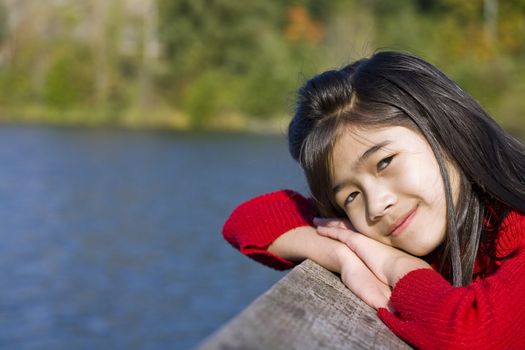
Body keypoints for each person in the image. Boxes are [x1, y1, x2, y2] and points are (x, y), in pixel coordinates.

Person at [222, 51, 525, 349]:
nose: (376, 205)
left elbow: (473, 336)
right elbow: (248, 221)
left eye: (385, 162)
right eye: (351, 196)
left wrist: (396, 264)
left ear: (445, 127)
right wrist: (344, 254)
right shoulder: (437, 226)